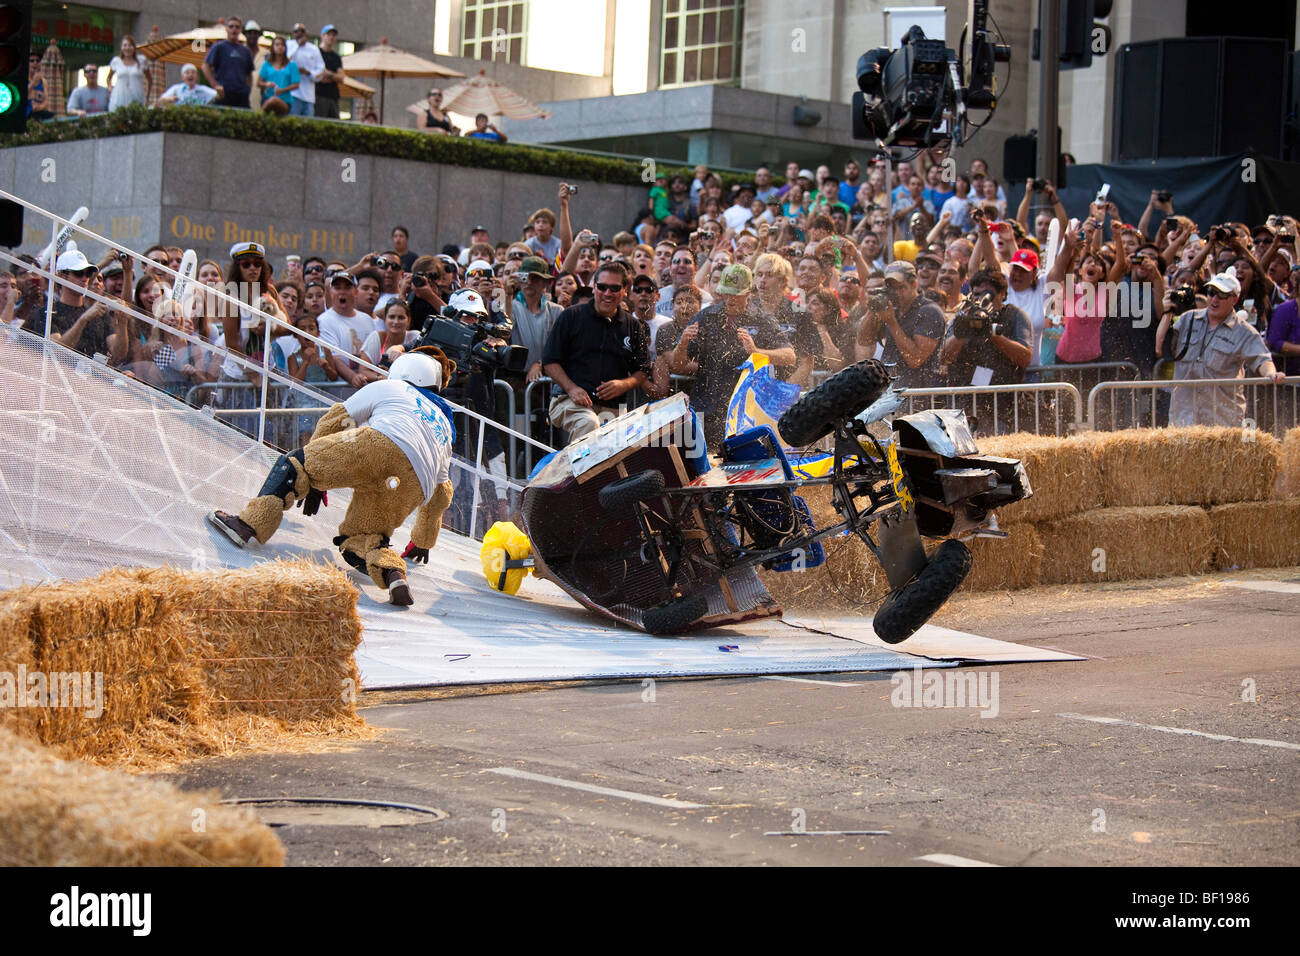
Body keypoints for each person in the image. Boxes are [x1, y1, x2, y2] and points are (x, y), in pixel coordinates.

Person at [208, 348, 459, 607]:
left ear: (402, 370)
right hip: (415, 484)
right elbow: (442, 493)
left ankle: (249, 525)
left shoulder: (389, 387)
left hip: (378, 443)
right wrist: (423, 540)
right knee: (363, 539)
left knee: (295, 464)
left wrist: (317, 481)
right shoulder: (444, 423)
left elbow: (336, 420)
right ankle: (392, 573)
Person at [666, 263, 794, 451]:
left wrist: (757, 351)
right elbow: (677, 366)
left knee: (744, 469)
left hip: (746, 414)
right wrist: (682, 344)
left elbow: (789, 356)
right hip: (707, 409)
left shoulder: (762, 319)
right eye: (726, 292)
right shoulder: (706, 317)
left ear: (749, 291)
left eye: (736, 293)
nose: (730, 298)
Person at [1157, 268, 1286, 427]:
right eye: (1211, 292)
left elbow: (1262, 359)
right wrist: (1167, 313)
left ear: (1234, 299)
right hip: (1183, 419)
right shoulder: (1187, 319)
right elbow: (1160, 347)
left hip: (1222, 423)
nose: (1214, 299)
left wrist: (1272, 374)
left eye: (1222, 295)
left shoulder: (1244, 332)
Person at [542, 261, 649, 443]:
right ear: (593, 287)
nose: (607, 293)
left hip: (613, 408)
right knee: (588, 424)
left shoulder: (632, 325)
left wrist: (624, 384)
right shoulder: (571, 316)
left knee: (619, 450)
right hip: (569, 400)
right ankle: (576, 472)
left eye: (614, 288)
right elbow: (549, 362)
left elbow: (643, 370)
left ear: (624, 290)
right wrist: (572, 388)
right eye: (602, 287)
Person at [940, 267, 1033, 432]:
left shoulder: (1015, 315)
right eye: (976, 294)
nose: (981, 299)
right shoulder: (962, 316)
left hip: (1004, 407)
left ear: (1002, 293)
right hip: (965, 406)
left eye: (987, 294)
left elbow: (1025, 358)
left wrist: (993, 333)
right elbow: (944, 358)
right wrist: (962, 332)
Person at [859, 260, 943, 388]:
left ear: (914, 285)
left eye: (901, 287)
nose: (897, 293)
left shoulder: (929, 311)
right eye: (892, 288)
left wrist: (892, 323)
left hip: (918, 392)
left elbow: (915, 359)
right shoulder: (892, 308)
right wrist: (873, 308)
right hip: (888, 389)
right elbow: (864, 340)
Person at [47, 249, 128, 363]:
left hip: (94, 379)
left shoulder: (98, 313)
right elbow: (56, 351)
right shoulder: (48, 312)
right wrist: (83, 320)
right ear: (61, 276)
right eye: (78, 273)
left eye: (88, 273)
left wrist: (122, 323)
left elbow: (119, 353)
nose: (85, 278)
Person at [202, 17, 255, 108]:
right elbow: (205, 66)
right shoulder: (218, 47)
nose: (234, 29)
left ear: (240, 30)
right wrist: (215, 85)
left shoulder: (246, 51)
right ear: (226, 29)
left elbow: (249, 73)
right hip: (223, 93)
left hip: (241, 95)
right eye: (231, 26)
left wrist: (248, 89)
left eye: (237, 27)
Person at [286, 22, 325, 117]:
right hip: (293, 94)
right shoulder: (288, 45)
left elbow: (321, 70)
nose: (299, 33)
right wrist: (297, 46)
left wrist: (308, 73)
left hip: (309, 96)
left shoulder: (314, 49)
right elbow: (285, 63)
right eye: (296, 31)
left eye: (302, 31)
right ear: (293, 34)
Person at [257, 36, 300, 116]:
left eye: (282, 45)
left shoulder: (291, 65)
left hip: (285, 101)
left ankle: (258, 117)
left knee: (274, 101)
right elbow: (259, 82)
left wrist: (282, 90)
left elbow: (296, 84)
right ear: (273, 47)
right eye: (277, 45)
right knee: (271, 101)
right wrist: (267, 84)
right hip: (267, 97)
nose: (280, 47)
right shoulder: (267, 64)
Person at [314, 25, 345, 119]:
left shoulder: (336, 57)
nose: (331, 37)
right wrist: (333, 76)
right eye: (329, 34)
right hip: (319, 95)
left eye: (333, 35)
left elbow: (341, 78)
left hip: (333, 96)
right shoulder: (316, 53)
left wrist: (329, 74)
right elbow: (317, 74)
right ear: (322, 36)